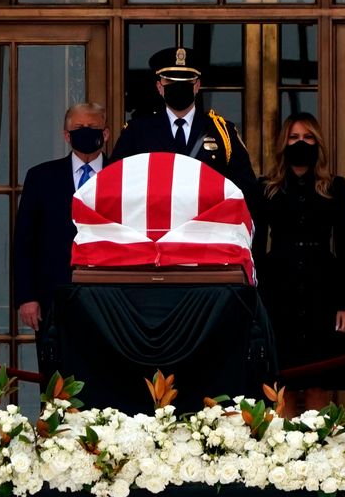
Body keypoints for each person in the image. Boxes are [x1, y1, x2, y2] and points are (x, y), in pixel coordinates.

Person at [254, 113, 345, 412]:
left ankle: (317, 438)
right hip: (278, 285)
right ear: (284, 143)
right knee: (281, 378)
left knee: (318, 379)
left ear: (318, 143)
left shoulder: (334, 186)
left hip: (322, 286)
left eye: (308, 137)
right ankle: (284, 440)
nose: (301, 143)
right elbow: (256, 246)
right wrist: (254, 298)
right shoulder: (267, 187)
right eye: (294, 137)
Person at [110, 46, 257, 204]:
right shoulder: (137, 131)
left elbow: (246, 189)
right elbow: (115, 183)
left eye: (186, 81)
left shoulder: (222, 131)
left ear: (197, 86)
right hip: (157, 217)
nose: (179, 86)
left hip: (206, 218)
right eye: (170, 81)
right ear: (159, 87)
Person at [14, 103, 110, 333]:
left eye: (92, 127)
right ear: (67, 135)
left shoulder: (124, 174)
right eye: (78, 127)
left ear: (105, 134)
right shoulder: (41, 177)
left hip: (111, 297)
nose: (86, 132)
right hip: (53, 294)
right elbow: (24, 241)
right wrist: (26, 297)